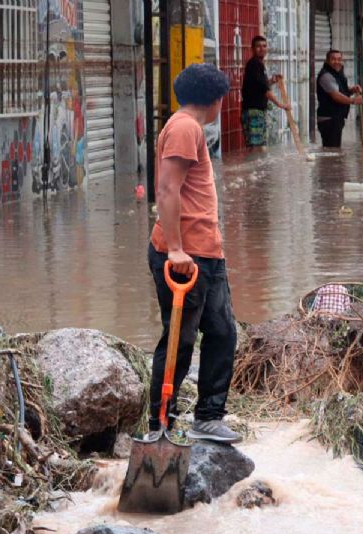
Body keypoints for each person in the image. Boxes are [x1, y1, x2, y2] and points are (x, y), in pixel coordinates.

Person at [147, 63, 242, 444]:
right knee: (180, 340)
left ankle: (208, 416)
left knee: (222, 333)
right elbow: (167, 190)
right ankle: (161, 423)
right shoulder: (186, 127)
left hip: (206, 254)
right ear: (216, 99)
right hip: (186, 258)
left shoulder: (187, 126)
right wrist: (174, 249)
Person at [241, 36, 290, 151]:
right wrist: (281, 105)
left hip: (256, 111)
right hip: (254, 112)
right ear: (252, 48)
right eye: (258, 46)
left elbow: (259, 86)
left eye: (264, 46)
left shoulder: (258, 65)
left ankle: (254, 169)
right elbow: (266, 91)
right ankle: (254, 169)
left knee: (256, 147)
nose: (262, 49)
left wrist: (272, 81)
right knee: (258, 148)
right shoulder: (255, 64)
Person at [316, 49, 363, 148]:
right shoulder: (326, 76)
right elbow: (336, 95)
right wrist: (353, 101)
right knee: (332, 150)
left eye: (339, 59)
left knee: (334, 151)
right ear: (327, 61)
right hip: (329, 119)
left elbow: (340, 90)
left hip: (336, 118)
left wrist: (352, 90)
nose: (337, 62)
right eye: (333, 59)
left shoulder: (337, 73)